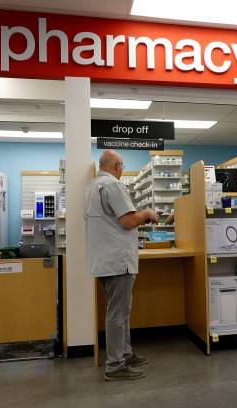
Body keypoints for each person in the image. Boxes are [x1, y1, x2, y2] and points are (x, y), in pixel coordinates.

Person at [84, 150, 159, 381]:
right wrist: (146, 213)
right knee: (118, 314)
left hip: (104, 260)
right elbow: (128, 221)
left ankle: (125, 354)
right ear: (117, 165)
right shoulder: (114, 186)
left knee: (120, 311)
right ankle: (115, 365)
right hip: (118, 261)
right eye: (122, 165)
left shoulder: (92, 187)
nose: (122, 168)